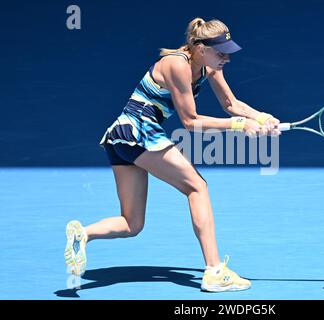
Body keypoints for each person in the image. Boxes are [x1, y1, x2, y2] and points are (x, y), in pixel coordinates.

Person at [64, 17, 280, 292]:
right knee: (197, 187)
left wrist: (261, 117)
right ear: (200, 48)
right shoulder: (177, 64)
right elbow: (190, 121)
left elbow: (230, 103)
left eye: (228, 50)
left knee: (132, 224)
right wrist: (240, 126)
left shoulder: (209, 66)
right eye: (221, 51)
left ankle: (82, 234)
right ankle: (214, 271)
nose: (226, 57)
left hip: (121, 137)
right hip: (138, 131)